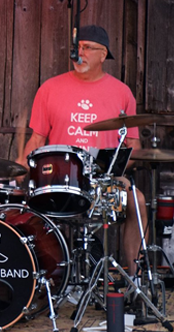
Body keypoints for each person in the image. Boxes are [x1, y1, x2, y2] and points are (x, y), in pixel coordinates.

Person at [16, 25, 147, 279]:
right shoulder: (49, 89)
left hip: (104, 180)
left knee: (137, 201)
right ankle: (42, 280)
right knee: (23, 202)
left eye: (87, 48)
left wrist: (112, 169)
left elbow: (134, 147)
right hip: (59, 178)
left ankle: (136, 281)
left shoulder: (122, 93)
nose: (80, 53)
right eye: (77, 48)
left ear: (103, 54)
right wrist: (17, 168)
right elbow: (37, 139)